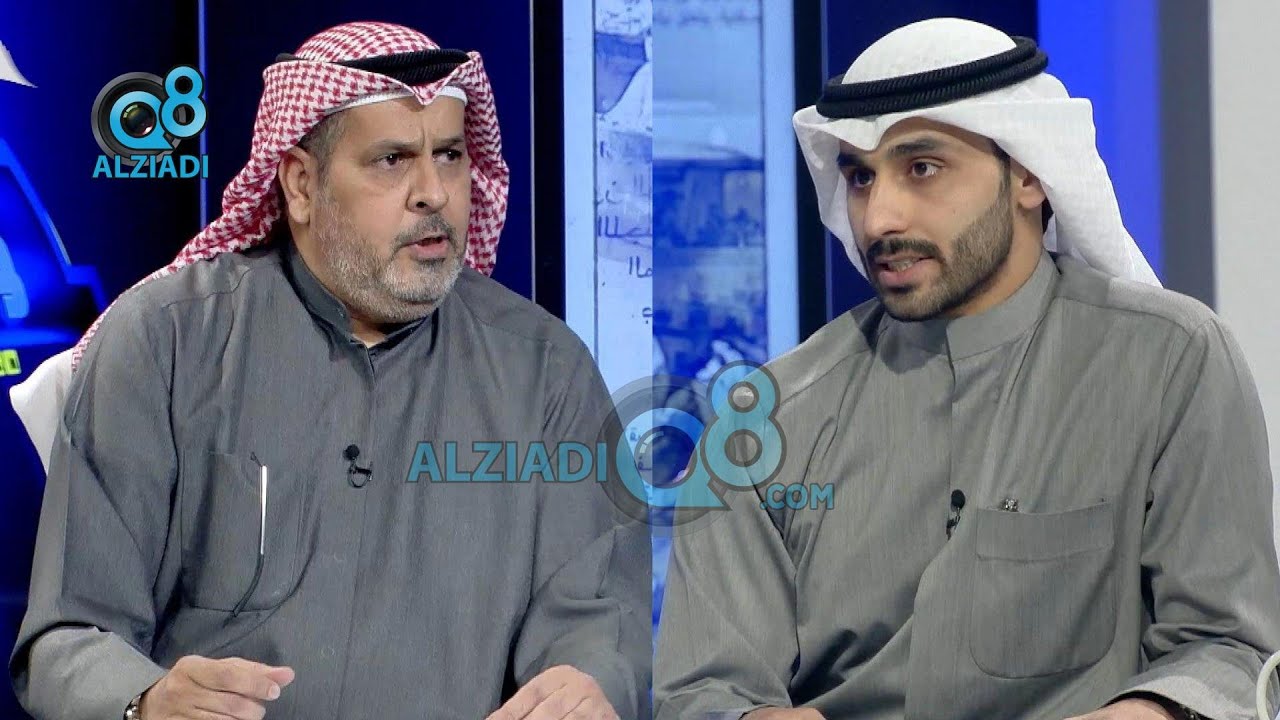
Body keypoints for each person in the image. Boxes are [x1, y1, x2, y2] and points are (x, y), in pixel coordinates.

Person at [9, 21, 650, 720]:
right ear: (301, 185)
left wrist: (590, 683)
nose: (434, 192)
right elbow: (69, 638)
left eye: (450, 155)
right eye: (392, 160)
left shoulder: (547, 371)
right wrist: (145, 700)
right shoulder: (163, 342)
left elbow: (596, 625)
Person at [654, 17, 1280, 720]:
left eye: (922, 168)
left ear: (1030, 173)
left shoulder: (1171, 363)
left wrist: (1148, 713)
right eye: (860, 177)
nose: (878, 219)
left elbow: (1229, 648)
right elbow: (703, 691)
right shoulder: (760, 423)